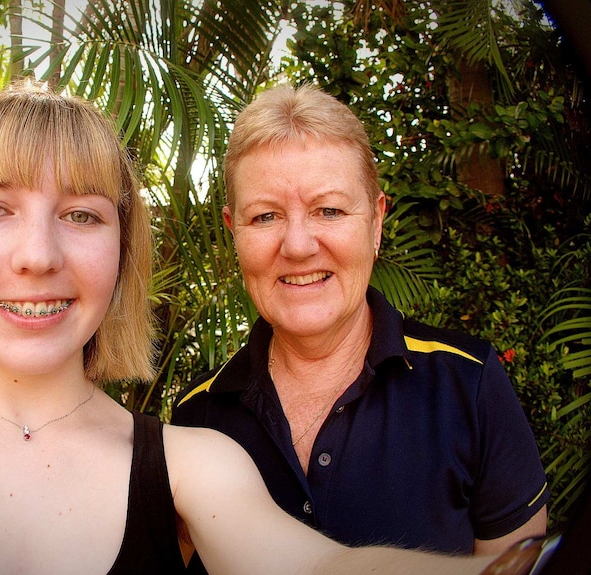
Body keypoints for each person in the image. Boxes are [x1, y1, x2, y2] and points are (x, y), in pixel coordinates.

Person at [0, 83, 499, 575]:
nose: (38, 256)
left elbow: (324, 567)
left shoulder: (193, 462)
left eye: (83, 215)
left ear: (122, 254)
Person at [172, 83, 549, 570]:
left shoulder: (467, 383)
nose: (298, 245)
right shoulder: (196, 417)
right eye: (265, 216)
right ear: (233, 231)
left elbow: (519, 564)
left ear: (375, 221)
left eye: (328, 209)